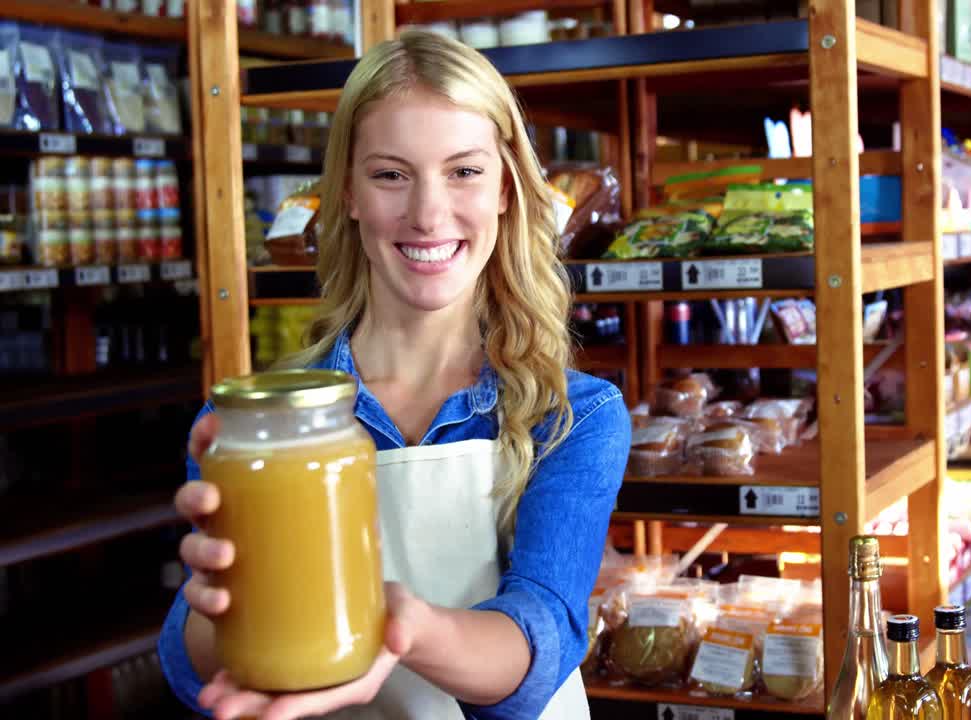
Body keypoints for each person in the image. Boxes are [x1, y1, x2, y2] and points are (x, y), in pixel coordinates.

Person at [157, 28, 630, 720]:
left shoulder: (573, 416)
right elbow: (192, 659)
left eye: (463, 171)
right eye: (390, 174)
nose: (428, 214)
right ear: (346, 193)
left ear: (505, 188)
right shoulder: (254, 426)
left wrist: (394, 625)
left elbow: (540, 636)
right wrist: (221, 607)